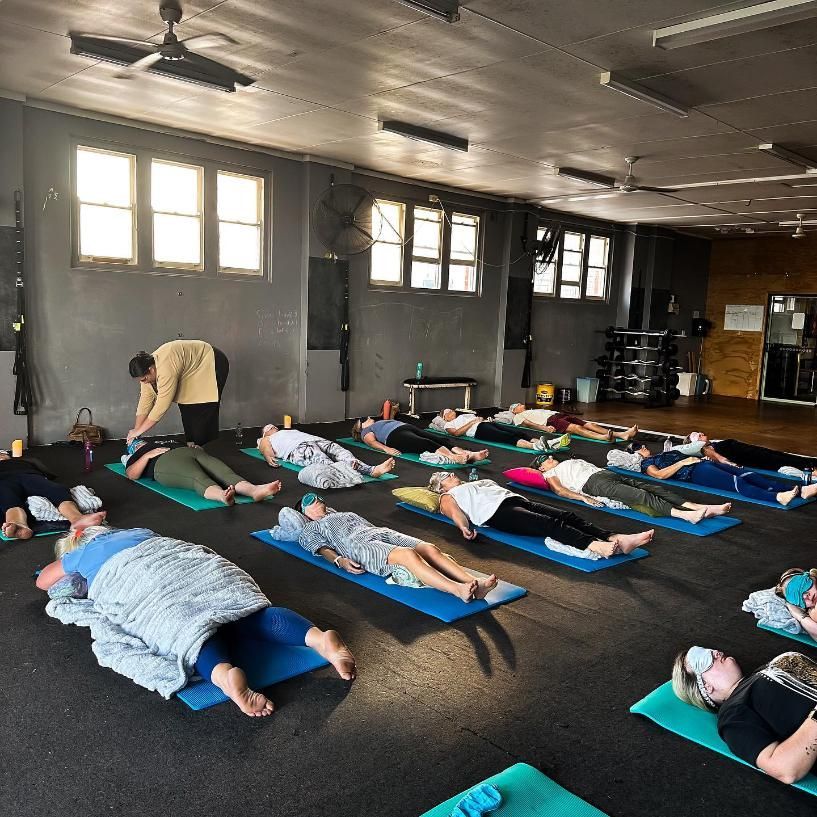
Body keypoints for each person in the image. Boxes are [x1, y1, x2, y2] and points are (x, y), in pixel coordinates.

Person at [36, 525, 356, 718]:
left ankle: (225, 675)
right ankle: (318, 639)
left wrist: (71, 562)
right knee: (248, 611)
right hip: (188, 563)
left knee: (191, 627)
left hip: (141, 579)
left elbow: (45, 581)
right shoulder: (138, 532)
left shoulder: (81, 554)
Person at [297, 493, 499, 601]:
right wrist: (339, 560)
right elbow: (320, 547)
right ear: (304, 512)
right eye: (310, 501)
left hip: (378, 531)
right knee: (407, 555)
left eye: (317, 498)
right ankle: (457, 590)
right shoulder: (311, 527)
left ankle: (476, 584)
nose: (316, 501)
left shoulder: (342, 513)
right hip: (357, 545)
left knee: (429, 548)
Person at [672, 646, 817, 784]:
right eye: (704, 660)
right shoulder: (732, 712)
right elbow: (784, 769)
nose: (715, 652)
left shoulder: (762, 671)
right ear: (706, 686)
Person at [427, 472, 653, 558]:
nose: (452, 474)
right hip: (495, 514)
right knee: (549, 524)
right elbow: (452, 511)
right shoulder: (448, 496)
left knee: (568, 515)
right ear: (441, 486)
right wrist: (463, 527)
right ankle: (595, 545)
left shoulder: (474, 482)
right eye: (447, 475)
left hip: (516, 500)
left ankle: (615, 538)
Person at [535, 455, 732, 523]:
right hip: (593, 484)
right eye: (546, 461)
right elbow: (560, 491)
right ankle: (685, 515)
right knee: (640, 495)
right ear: (541, 468)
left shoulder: (566, 462)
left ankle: (697, 506)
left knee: (652, 488)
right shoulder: (549, 474)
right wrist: (581, 498)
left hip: (605, 474)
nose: (551, 459)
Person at [614, 444, 817, 506]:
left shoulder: (664, 453)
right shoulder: (646, 463)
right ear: (634, 455)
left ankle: (800, 491)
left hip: (701, 465)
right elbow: (658, 476)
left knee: (749, 475)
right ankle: (777, 498)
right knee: (736, 483)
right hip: (694, 472)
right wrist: (684, 462)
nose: (642, 447)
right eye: (637, 448)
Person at [127, 340, 229, 446]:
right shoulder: (146, 369)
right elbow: (145, 400)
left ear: (151, 370)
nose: (143, 382)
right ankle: (192, 445)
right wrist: (136, 431)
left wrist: (139, 431)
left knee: (203, 407)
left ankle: (205, 449)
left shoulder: (166, 368)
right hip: (191, 371)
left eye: (144, 379)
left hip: (211, 361)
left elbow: (162, 405)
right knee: (186, 406)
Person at [124, 438, 281, 505]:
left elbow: (197, 447)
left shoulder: (167, 440)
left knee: (225, 473)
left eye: (139, 442)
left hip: (192, 452)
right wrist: (146, 455)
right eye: (135, 444)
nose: (139, 444)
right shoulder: (138, 454)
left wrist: (196, 448)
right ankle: (221, 496)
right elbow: (131, 474)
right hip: (165, 463)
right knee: (196, 477)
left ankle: (254, 491)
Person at [0, 450, 106, 540]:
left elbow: (44, 471)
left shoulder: (22, 461)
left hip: (28, 476)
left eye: (2, 454)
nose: (1, 456)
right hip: (3, 480)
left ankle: (77, 518)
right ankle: (18, 525)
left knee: (57, 490)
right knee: (8, 499)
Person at [257, 424, 395, 477]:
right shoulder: (266, 439)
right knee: (326, 463)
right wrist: (268, 457)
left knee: (344, 454)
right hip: (298, 449)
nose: (273, 428)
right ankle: (350, 474)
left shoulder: (287, 431)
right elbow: (264, 447)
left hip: (316, 440)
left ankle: (371, 470)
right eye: (269, 428)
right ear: (266, 432)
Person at [352, 417, 489, 464]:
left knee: (438, 438)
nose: (367, 418)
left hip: (406, 427)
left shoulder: (378, 422)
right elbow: (371, 442)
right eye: (363, 420)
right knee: (424, 443)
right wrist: (386, 449)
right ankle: (454, 457)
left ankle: (468, 454)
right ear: (360, 427)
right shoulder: (365, 432)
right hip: (394, 436)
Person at [678, 431, 817, 474]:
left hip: (750, 451)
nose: (702, 434)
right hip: (748, 457)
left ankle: (810, 463)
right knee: (777, 460)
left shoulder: (714, 443)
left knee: (778, 455)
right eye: (698, 435)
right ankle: (809, 466)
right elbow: (723, 460)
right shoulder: (708, 450)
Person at [509, 403, 637, 442]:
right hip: (549, 421)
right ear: (514, 410)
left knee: (589, 424)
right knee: (575, 428)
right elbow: (528, 424)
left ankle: (621, 434)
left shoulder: (531, 409)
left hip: (556, 415)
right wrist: (544, 428)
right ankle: (603, 437)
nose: (522, 404)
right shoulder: (518, 416)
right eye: (518, 405)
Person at [438, 408, 547, 451]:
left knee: (516, 432)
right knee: (506, 436)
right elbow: (456, 433)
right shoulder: (449, 425)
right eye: (448, 412)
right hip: (478, 430)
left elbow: (477, 419)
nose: (452, 412)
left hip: (485, 424)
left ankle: (539, 441)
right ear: (444, 417)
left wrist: (484, 419)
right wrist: (472, 422)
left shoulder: (463, 416)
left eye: (451, 410)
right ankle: (534, 446)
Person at [776, 569, 817, 642]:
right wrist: (799, 615)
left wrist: (799, 616)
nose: (805, 597)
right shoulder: (813, 611)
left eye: (803, 586)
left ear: (812, 577)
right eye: (797, 599)